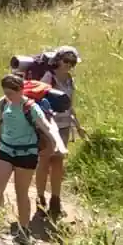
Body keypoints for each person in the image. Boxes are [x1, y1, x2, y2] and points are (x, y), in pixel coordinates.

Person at [0, 72, 65, 245]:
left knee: (21, 192)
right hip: (5, 150)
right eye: (5, 92)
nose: (8, 96)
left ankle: (24, 232)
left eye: (11, 93)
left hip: (26, 154)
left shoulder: (31, 108)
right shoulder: (3, 103)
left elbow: (46, 128)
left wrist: (53, 148)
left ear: (21, 90)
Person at [33, 46, 79, 227]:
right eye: (66, 61)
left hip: (64, 126)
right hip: (48, 127)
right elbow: (39, 101)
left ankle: (56, 200)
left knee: (58, 162)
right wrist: (45, 126)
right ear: (57, 60)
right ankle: (40, 199)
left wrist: (78, 125)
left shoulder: (70, 80)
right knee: (44, 161)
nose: (68, 65)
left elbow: (70, 105)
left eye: (72, 62)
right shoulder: (48, 77)